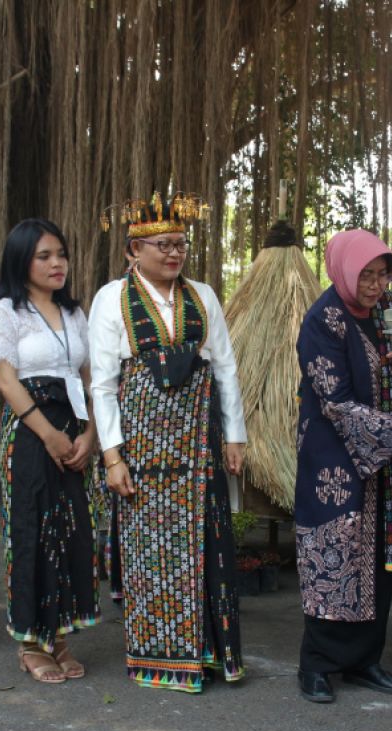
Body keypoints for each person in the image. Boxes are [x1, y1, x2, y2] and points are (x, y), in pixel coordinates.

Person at [88, 192, 246, 693]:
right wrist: (112, 456)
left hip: (199, 447)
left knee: (206, 547)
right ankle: (158, 658)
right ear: (134, 250)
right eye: (162, 245)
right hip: (142, 452)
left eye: (180, 244)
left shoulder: (203, 295)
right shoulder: (111, 298)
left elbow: (224, 366)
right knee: (151, 553)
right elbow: (101, 384)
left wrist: (235, 434)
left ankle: (207, 656)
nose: (174, 253)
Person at [294, 229, 392, 703]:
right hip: (333, 459)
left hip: (386, 461)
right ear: (343, 270)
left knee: (378, 559)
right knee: (334, 555)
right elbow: (334, 404)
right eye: (367, 276)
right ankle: (316, 666)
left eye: (383, 274)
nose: (376, 286)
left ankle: (364, 661)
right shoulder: (323, 321)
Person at [0, 219, 100, 684]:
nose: (57, 265)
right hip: (30, 434)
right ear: (22, 261)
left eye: (61, 255)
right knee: (31, 532)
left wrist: (89, 435)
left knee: (73, 531)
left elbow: (92, 378)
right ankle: (31, 642)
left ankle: (62, 639)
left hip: (75, 431)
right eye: (44, 256)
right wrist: (47, 433)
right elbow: (6, 379)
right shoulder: (5, 312)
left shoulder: (75, 313)